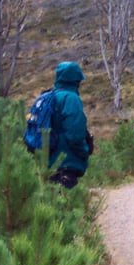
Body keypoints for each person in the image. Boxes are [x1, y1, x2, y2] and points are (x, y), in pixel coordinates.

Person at [49, 61, 91, 189]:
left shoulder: (49, 97)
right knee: (65, 203)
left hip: (46, 164)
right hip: (66, 163)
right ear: (76, 80)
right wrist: (85, 151)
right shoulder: (71, 99)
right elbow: (75, 135)